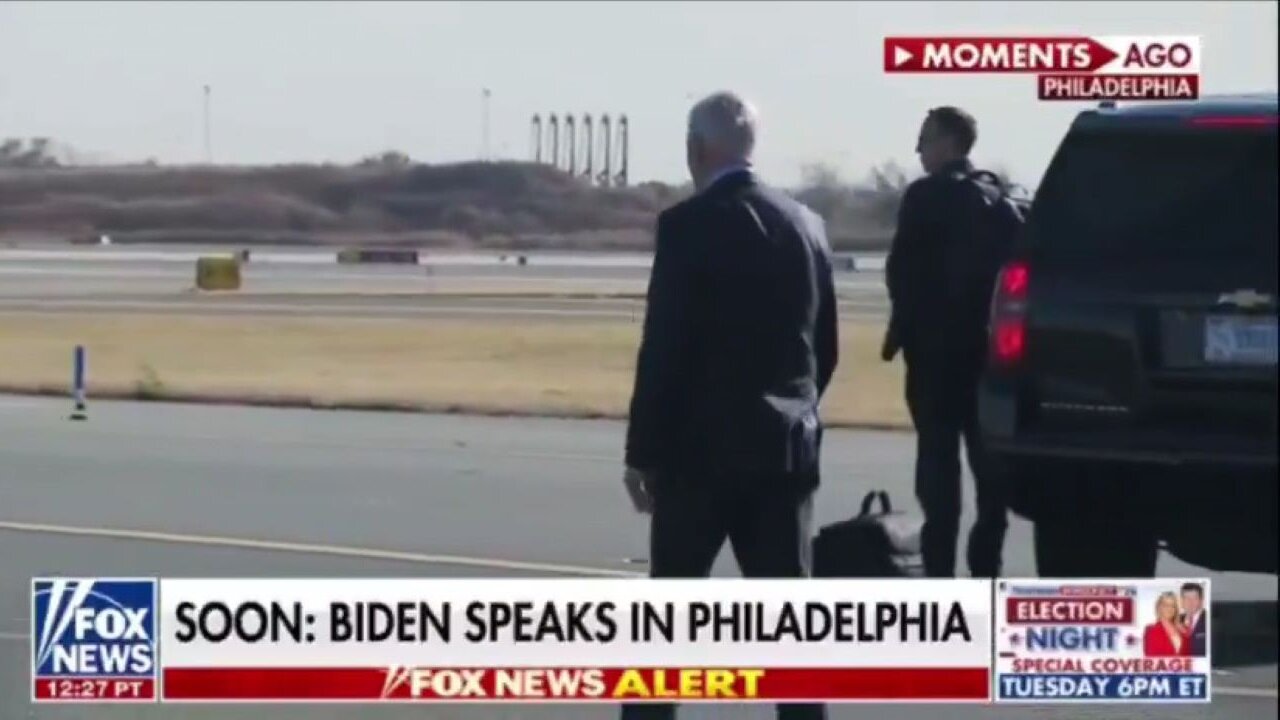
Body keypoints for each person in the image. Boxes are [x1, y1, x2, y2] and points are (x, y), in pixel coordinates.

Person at [620, 91, 838, 720]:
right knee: (791, 632)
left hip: (701, 456)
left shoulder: (687, 226)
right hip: (784, 452)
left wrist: (643, 454)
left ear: (696, 149)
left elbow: (664, 349)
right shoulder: (807, 224)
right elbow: (823, 350)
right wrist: (796, 413)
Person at [882, 106, 1008, 578]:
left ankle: (939, 578)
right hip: (988, 356)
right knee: (989, 478)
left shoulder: (924, 197)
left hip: (935, 359)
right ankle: (986, 571)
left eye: (926, 139)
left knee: (938, 475)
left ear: (951, 143)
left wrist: (905, 329)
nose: (919, 150)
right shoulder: (999, 200)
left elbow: (901, 273)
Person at [1143, 591, 1191, 657]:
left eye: (1173, 606)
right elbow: (1152, 658)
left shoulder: (1183, 629)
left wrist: (1186, 633)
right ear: (1159, 608)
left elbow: (1190, 653)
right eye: (1166, 605)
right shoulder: (1151, 629)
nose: (1170, 608)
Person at [1180, 582, 1208, 657]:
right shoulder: (1174, 620)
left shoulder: (1209, 620)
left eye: (1194, 598)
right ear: (1181, 601)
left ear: (1201, 601)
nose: (1190, 602)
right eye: (1186, 598)